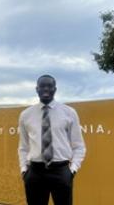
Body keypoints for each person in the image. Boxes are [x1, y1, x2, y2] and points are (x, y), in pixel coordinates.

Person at [18, 74, 86, 205]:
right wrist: (24, 170)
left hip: (61, 171)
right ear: (36, 89)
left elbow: (79, 146)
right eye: (42, 86)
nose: (46, 89)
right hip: (35, 172)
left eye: (50, 86)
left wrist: (72, 171)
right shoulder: (25, 115)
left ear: (55, 89)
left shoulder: (69, 113)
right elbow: (23, 147)